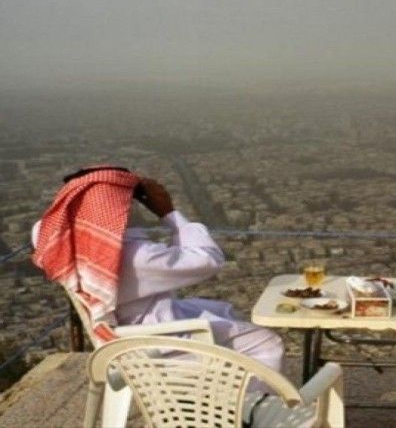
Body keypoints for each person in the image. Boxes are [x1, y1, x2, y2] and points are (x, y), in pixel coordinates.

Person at [31, 166, 284, 391]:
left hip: (120, 338)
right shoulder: (131, 257)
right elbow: (208, 260)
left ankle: (224, 390)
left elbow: (41, 229)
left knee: (223, 311)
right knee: (266, 342)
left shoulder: (67, 246)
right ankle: (245, 409)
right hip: (154, 344)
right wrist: (168, 212)